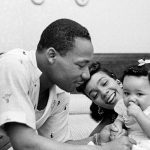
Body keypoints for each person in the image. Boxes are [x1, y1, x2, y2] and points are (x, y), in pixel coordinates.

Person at [0, 18, 132, 150]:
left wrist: (97, 139)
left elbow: (61, 145)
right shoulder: (14, 64)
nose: (86, 75)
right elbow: (25, 144)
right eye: (81, 65)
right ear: (52, 55)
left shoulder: (61, 94)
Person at [110, 61, 150, 149]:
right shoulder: (123, 106)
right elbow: (120, 118)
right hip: (130, 140)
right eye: (127, 93)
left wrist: (139, 114)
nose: (131, 99)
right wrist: (118, 125)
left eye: (139, 94)